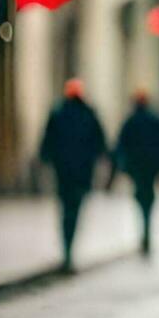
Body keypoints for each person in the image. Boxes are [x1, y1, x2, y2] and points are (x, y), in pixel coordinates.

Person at [40, 78, 107, 272]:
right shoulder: (89, 114)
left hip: (64, 173)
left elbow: (47, 142)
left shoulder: (58, 113)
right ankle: (69, 250)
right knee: (74, 211)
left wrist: (46, 158)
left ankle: (67, 249)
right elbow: (100, 143)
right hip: (82, 174)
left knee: (65, 210)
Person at [111, 90, 159, 256]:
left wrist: (119, 169)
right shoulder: (156, 122)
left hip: (137, 168)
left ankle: (145, 232)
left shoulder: (130, 122)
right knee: (147, 200)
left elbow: (120, 147)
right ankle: (146, 232)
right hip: (151, 168)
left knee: (142, 199)